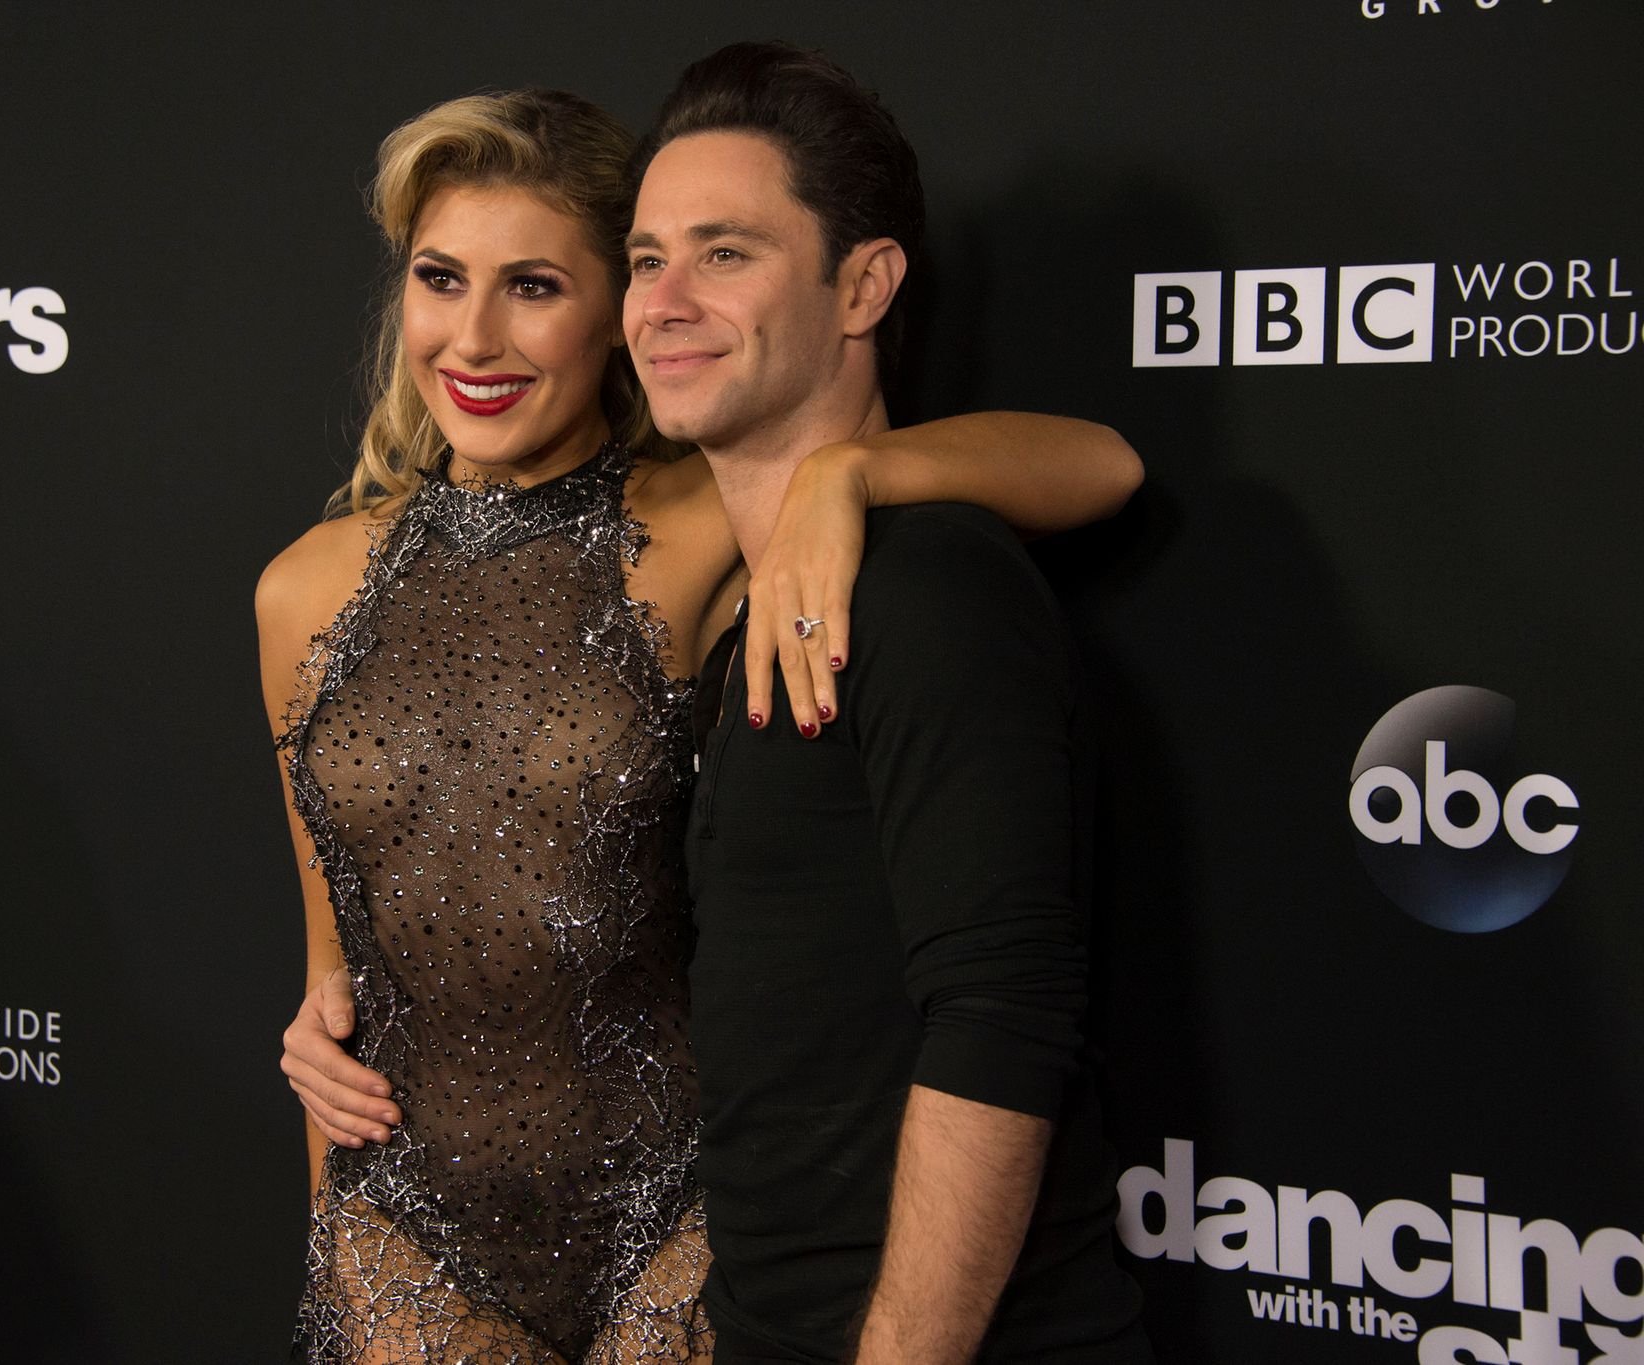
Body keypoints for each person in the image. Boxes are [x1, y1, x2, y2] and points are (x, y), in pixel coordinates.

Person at [259, 84, 1143, 1363]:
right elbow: (330, 974)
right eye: (440, 278)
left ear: (609, 325)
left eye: (537, 287)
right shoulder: (297, 591)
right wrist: (324, 1161)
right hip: (407, 1235)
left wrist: (857, 474)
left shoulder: (703, 517)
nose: (476, 337)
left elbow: (1101, 466)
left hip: (671, 1234)